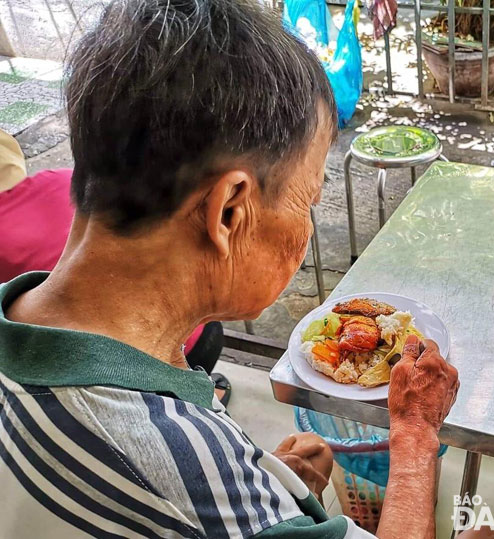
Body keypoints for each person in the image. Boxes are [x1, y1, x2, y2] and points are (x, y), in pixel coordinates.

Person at [0, 0, 466, 536]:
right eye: (307, 199)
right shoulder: (181, 469)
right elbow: (177, 487)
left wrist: (269, 500)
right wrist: (415, 434)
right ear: (228, 211)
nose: (309, 230)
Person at [0, 130, 230, 402]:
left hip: (140, 365)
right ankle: (207, 394)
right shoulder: (59, 178)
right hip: (198, 327)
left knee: (175, 413)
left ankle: (204, 404)